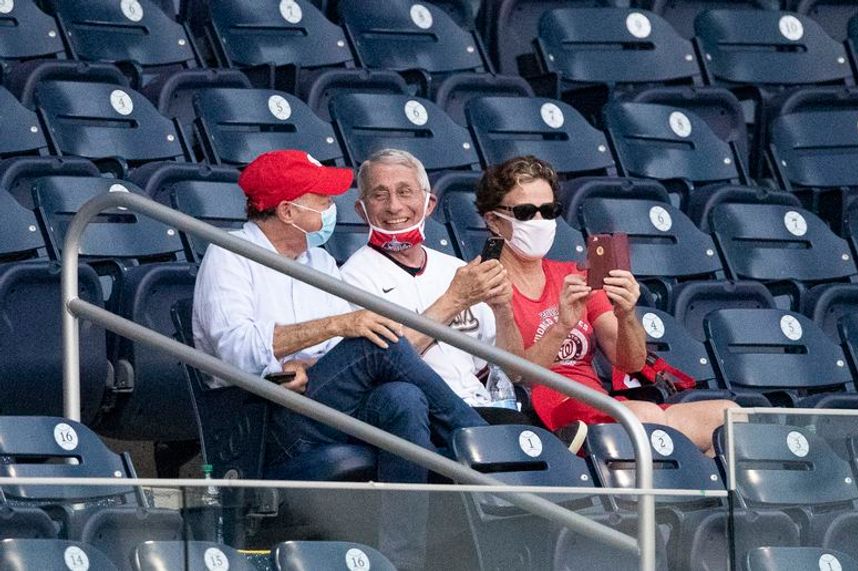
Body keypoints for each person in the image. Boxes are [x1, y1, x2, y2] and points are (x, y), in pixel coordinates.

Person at [192, 149, 486, 570]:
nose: (333, 210)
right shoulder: (230, 254)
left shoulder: (321, 261)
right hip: (269, 420)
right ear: (289, 211)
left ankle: (400, 561)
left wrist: (315, 355)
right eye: (323, 200)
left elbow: (335, 353)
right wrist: (331, 328)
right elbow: (235, 348)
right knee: (374, 339)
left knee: (404, 398)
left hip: (323, 400)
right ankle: (479, 446)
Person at [474, 155, 738, 453]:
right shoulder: (482, 280)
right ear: (493, 220)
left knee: (728, 417)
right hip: (547, 415)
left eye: (548, 211)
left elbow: (632, 362)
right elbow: (514, 376)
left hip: (600, 404)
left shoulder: (573, 275)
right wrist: (562, 326)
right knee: (645, 418)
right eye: (525, 212)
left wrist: (626, 314)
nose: (540, 222)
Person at [340, 149, 528, 421]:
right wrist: (455, 299)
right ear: (361, 209)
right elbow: (384, 366)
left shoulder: (455, 268)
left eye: (405, 192)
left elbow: (513, 373)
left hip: (482, 405)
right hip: (420, 416)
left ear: (429, 204)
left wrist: (503, 311)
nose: (394, 206)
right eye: (379, 195)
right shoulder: (352, 278)